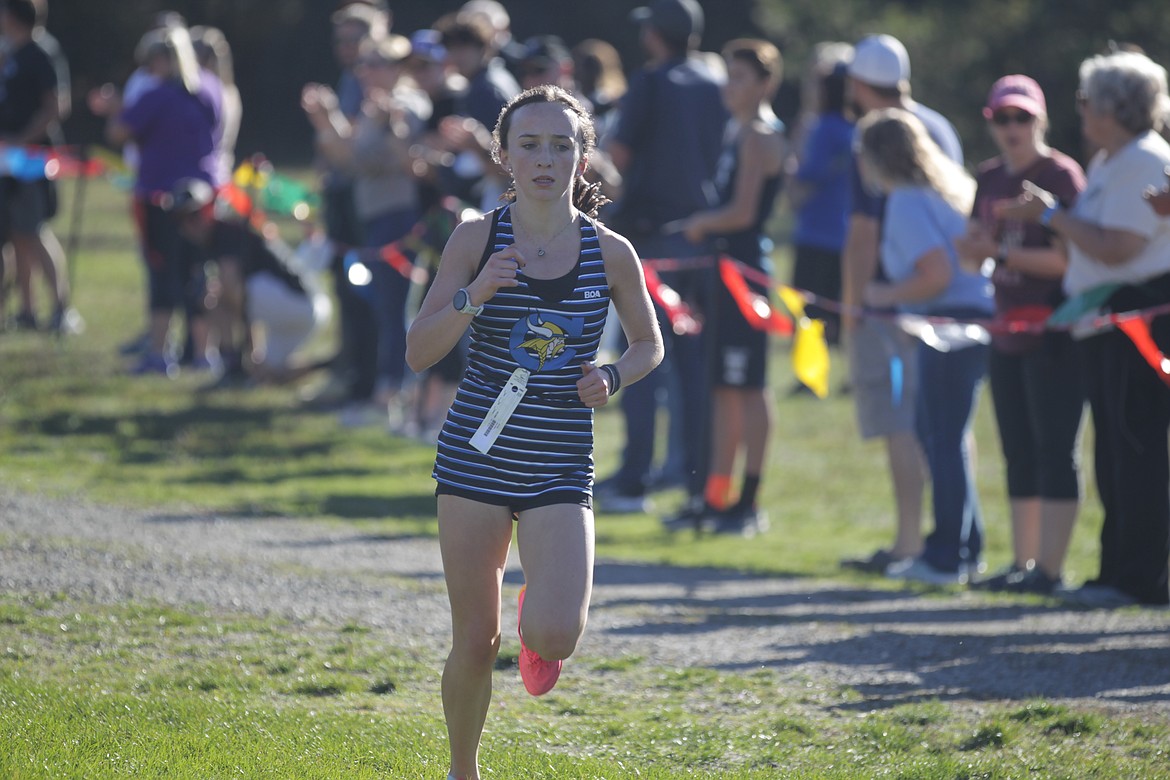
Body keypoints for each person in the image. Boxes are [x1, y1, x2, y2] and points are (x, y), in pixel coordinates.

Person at [404, 85, 663, 780]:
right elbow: (419, 349)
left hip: (558, 463)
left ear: (583, 158)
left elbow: (648, 345)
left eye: (561, 144)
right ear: (503, 155)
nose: (545, 158)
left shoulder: (611, 252)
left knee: (556, 633)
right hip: (474, 459)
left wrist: (613, 376)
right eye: (530, 144)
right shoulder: (474, 237)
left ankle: (537, 619)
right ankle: (464, 770)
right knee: (472, 640)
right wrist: (474, 292)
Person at [997, 50, 1170, 607]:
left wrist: (1050, 215)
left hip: (1134, 311)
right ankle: (1116, 568)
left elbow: (1118, 248)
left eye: (1087, 99)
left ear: (1116, 106)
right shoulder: (1110, 160)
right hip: (1104, 314)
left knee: (1135, 446)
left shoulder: (1144, 159)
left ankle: (1136, 577)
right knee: (1115, 449)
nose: (1081, 110)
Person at [954, 75, 1087, 595]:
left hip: (1053, 329)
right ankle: (1024, 562)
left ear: (1041, 119)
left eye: (1022, 117)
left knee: (1055, 447)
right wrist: (978, 246)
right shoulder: (988, 178)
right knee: (1017, 450)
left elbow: (1065, 261)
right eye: (1003, 118)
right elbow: (971, 254)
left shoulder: (1060, 174)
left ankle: (1050, 570)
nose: (1013, 128)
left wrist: (999, 252)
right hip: (1004, 327)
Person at [837, 34, 964, 574]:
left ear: (858, 85)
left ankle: (912, 541)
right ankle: (955, 534)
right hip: (949, 299)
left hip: (899, 300)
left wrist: (853, 309)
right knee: (948, 427)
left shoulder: (874, 137)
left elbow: (864, 233)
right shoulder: (941, 126)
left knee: (901, 423)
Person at [596, 0, 728, 518]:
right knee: (692, 368)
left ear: (655, 34)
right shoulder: (716, 79)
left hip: (649, 240)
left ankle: (635, 480)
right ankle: (690, 474)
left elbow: (619, 157)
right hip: (699, 237)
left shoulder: (650, 81)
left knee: (641, 358)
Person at [857, 108, 994, 585]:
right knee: (942, 432)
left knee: (939, 435)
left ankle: (946, 557)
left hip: (952, 325)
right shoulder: (941, 190)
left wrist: (882, 295)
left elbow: (935, 274)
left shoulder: (907, 201)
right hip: (967, 321)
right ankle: (966, 548)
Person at [676, 38, 786, 536]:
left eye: (740, 77)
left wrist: (699, 222)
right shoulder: (735, 131)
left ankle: (749, 501)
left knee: (749, 388)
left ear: (766, 83)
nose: (729, 85)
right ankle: (714, 499)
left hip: (746, 275)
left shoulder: (760, 135)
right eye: (727, 74)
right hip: (724, 273)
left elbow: (743, 213)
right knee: (723, 390)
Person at [305, 33, 431, 425]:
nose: (365, 71)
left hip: (398, 216)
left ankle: (393, 395)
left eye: (375, 63)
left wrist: (384, 125)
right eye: (363, 64)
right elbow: (350, 160)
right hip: (376, 216)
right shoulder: (371, 107)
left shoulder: (407, 104)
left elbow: (402, 160)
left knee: (394, 307)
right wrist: (325, 122)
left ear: (396, 69)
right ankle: (390, 389)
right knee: (383, 306)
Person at [88, 23, 222, 376]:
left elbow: (119, 132)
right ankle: (203, 353)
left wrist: (115, 109)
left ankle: (159, 354)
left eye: (151, 61)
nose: (148, 69)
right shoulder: (210, 89)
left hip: (159, 195)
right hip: (203, 192)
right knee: (199, 272)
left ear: (164, 59)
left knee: (162, 270)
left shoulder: (156, 95)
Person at [169, 178, 332, 387]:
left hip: (296, 300)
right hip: (308, 305)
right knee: (267, 376)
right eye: (180, 220)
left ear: (210, 209)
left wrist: (247, 346)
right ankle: (331, 364)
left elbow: (232, 288)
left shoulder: (225, 231)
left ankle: (233, 364)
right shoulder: (210, 237)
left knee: (215, 297)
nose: (189, 225)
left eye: (193, 216)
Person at [0, 0, 76, 333]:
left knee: (35, 229)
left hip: (31, 157)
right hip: (8, 158)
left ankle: (62, 309)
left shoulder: (42, 52)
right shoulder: (10, 52)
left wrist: (21, 139)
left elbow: (57, 106)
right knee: (16, 232)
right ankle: (27, 311)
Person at [788, 44, 854, 355]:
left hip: (816, 231)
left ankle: (810, 376)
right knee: (839, 310)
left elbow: (808, 174)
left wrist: (790, 170)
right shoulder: (854, 127)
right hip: (844, 234)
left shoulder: (826, 128)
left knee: (810, 313)